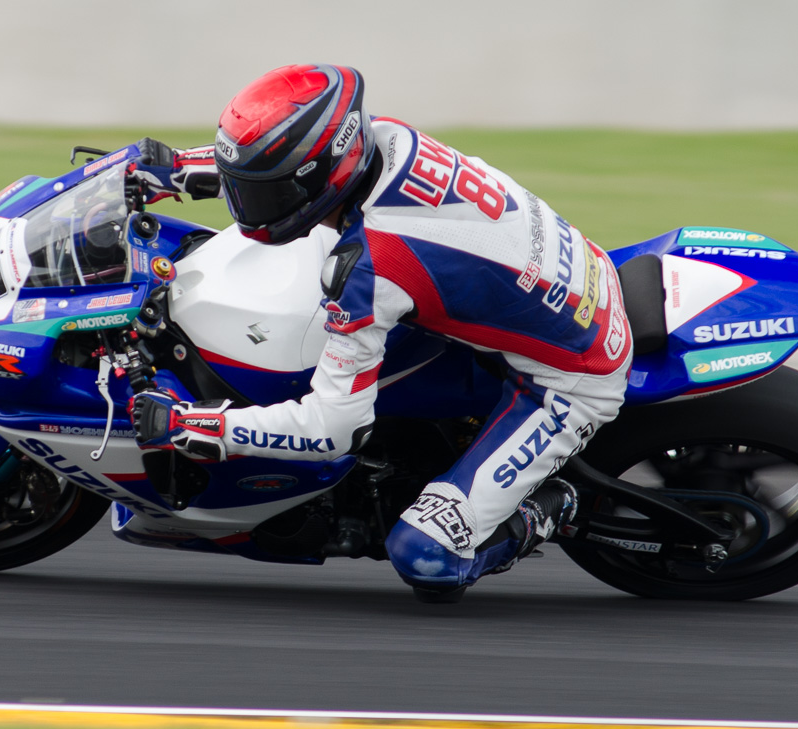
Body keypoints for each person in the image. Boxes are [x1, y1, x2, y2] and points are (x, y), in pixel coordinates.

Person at [128, 64, 632, 600]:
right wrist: (180, 168)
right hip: (567, 283)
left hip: (571, 376)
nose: (248, 208)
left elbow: (334, 429)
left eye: (262, 195)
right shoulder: (384, 138)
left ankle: (551, 507)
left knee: (427, 558)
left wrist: (195, 427)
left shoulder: (372, 267)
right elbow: (297, 169)